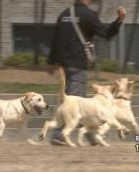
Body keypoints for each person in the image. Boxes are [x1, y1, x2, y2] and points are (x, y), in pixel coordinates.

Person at [46, 0, 126, 145]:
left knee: (80, 101)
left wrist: (51, 61)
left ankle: (91, 135)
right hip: (77, 64)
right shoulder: (88, 15)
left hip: (63, 65)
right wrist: (119, 20)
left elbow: (54, 40)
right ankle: (58, 135)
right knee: (73, 99)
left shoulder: (64, 15)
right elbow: (106, 33)